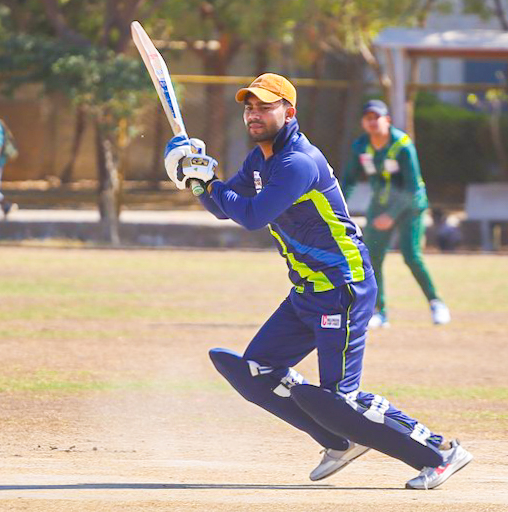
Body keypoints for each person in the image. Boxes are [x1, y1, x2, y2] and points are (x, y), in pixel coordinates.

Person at [162, 73, 471, 490]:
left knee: (341, 396)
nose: (253, 114)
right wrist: (195, 181)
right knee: (256, 372)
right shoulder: (260, 159)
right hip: (307, 290)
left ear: (289, 112)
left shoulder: (298, 162)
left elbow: (252, 215)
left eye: (265, 106)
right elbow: (224, 207)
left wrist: (207, 181)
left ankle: (439, 451)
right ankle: (339, 442)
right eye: (249, 107)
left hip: (343, 287)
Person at [339, 100, 450, 329]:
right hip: (380, 206)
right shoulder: (361, 146)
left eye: (376, 117)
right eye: (368, 118)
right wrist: (338, 206)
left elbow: (412, 188)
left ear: (387, 120)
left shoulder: (402, 145)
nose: (372, 122)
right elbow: (349, 179)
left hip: (410, 206)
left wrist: (391, 215)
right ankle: (379, 312)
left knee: (411, 256)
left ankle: (436, 303)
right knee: (372, 258)